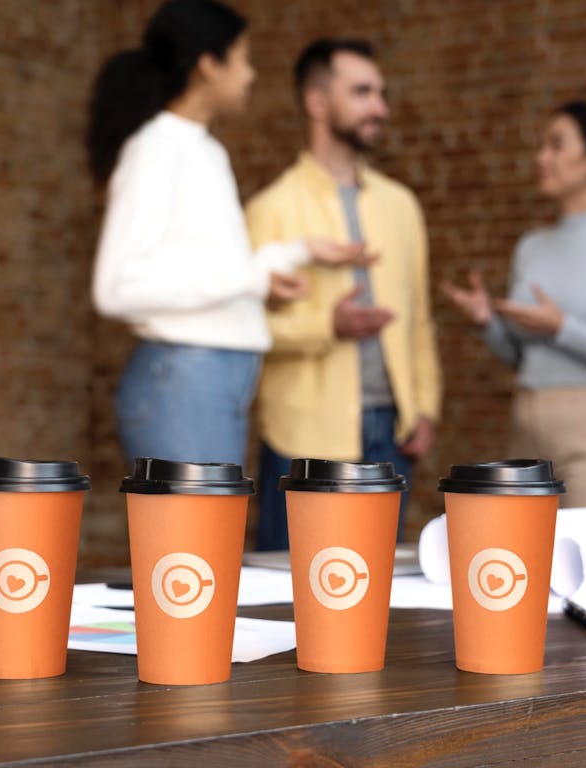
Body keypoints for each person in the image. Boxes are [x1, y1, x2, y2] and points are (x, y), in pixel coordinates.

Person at [88, 0, 364, 468]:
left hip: (213, 382)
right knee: (193, 543)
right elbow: (116, 289)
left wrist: (294, 255)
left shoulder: (207, 152)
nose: (251, 74)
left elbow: (208, 267)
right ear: (207, 66)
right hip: (183, 383)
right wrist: (252, 280)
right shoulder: (155, 150)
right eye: (242, 59)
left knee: (209, 541)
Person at [244, 38, 442, 550]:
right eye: (362, 92)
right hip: (303, 434)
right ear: (316, 102)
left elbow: (419, 318)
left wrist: (425, 406)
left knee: (374, 596)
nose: (380, 107)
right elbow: (249, 328)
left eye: (380, 92)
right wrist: (327, 328)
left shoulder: (402, 206)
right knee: (288, 597)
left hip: (391, 433)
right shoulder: (271, 209)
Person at [442, 102, 586, 508]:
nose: (542, 158)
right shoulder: (531, 246)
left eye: (557, 145)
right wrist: (487, 323)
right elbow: (519, 355)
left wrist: (562, 327)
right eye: (542, 146)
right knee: (526, 565)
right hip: (526, 427)